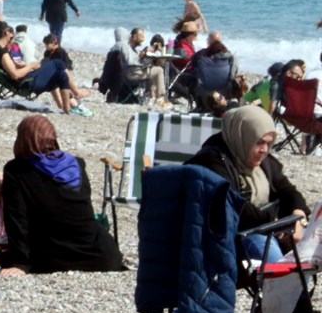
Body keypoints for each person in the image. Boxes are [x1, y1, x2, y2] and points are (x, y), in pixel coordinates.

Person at [0, 115, 125, 276]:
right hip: (102, 255)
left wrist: (20, 263)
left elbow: (17, 219)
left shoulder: (16, 170)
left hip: (51, 258)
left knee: (0, 249)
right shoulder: (77, 164)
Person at [185, 106, 308, 264]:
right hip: (230, 236)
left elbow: (287, 190)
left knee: (307, 252)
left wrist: (298, 216)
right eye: (259, 142)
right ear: (243, 136)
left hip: (266, 228)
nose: (264, 150)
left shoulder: (262, 162)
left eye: (269, 143)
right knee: (277, 264)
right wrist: (278, 224)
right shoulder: (212, 161)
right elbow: (236, 207)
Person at [0, 21, 89, 116]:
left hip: (24, 81)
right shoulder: (2, 53)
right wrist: (30, 66)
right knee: (58, 63)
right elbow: (15, 75)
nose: (11, 36)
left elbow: (10, 70)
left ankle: (66, 109)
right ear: (6, 32)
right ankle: (77, 92)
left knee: (59, 75)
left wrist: (21, 65)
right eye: (10, 33)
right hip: (27, 83)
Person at [118, 27, 170, 108]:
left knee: (153, 69)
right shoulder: (126, 47)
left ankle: (152, 97)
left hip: (135, 72)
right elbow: (130, 62)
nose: (143, 38)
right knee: (159, 70)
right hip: (132, 74)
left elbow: (137, 60)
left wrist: (145, 54)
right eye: (141, 36)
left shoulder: (134, 48)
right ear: (134, 37)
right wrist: (142, 55)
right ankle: (160, 97)